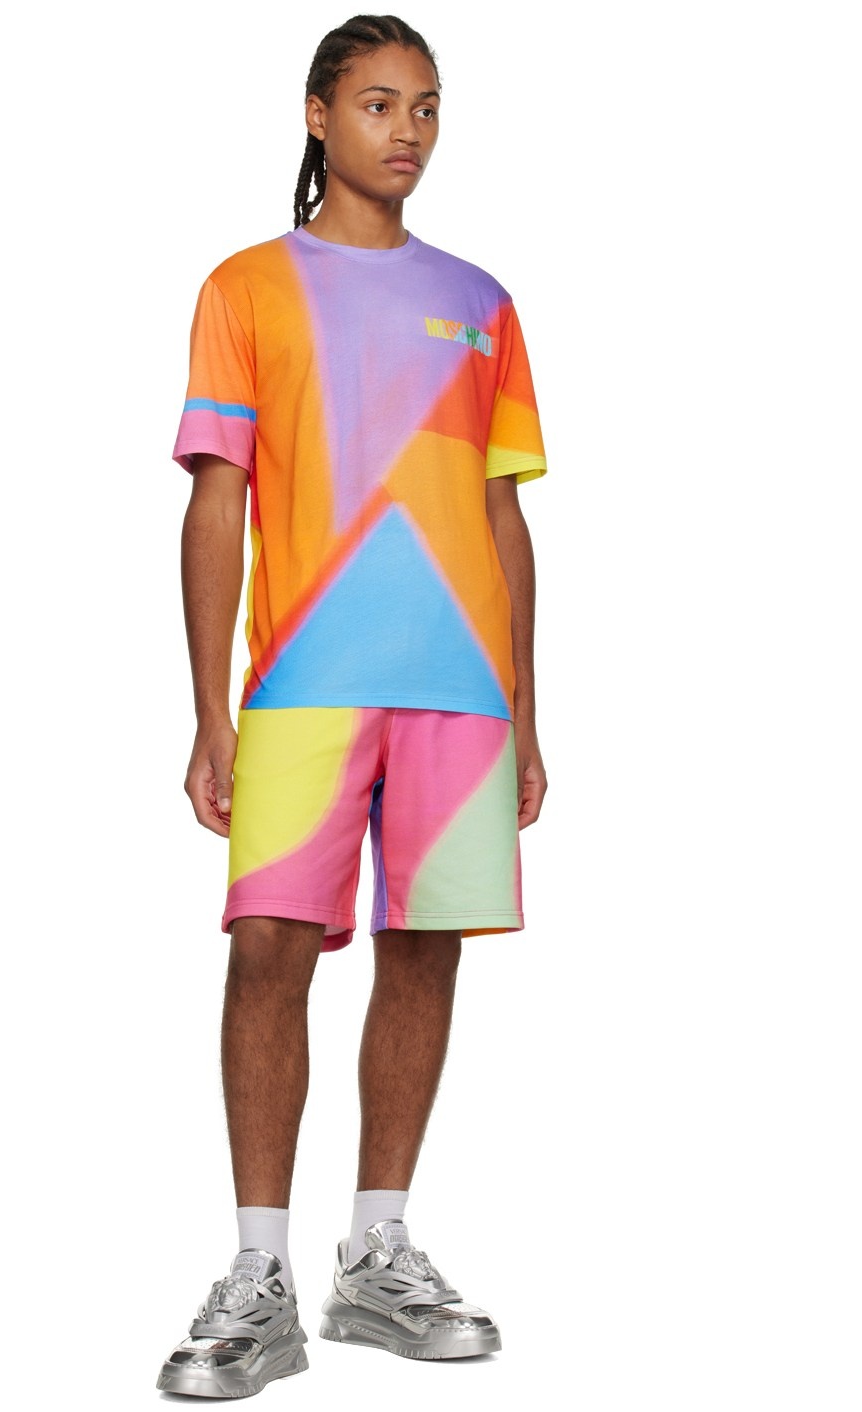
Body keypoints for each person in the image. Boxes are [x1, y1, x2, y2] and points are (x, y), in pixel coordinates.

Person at [157, 13, 549, 1399]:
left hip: (459, 689)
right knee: (269, 948)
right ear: (319, 115)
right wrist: (208, 710)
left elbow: (504, 519)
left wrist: (528, 711)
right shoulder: (247, 287)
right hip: (305, 683)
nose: (409, 131)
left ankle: (378, 1254)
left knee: (426, 951)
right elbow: (217, 505)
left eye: (427, 106)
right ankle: (256, 1274)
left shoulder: (482, 300)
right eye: (380, 103)